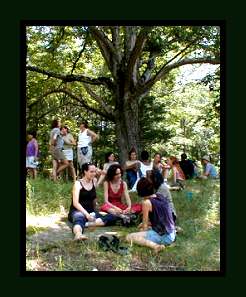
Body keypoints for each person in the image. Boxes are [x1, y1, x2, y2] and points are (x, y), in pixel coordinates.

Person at [68, 163, 117, 241]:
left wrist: (96, 209)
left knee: (112, 217)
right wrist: (87, 215)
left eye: (95, 171)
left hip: (91, 212)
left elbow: (93, 198)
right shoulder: (78, 184)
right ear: (85, 171)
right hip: (78, 211)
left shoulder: (94, 181)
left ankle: (87, 224)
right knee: (79, 219)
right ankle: (78, 234)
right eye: (91, 171)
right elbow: (75, 203)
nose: (94, 174)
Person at [126, 177, 176, 253]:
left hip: (165, 236)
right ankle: (162, 242)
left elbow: (145, 227)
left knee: (129, 237)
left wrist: (142, 230)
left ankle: (155, 246)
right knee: (142, 229)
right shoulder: (160, 196)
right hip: (172, 233)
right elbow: (161, 218)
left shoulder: (146, 202)